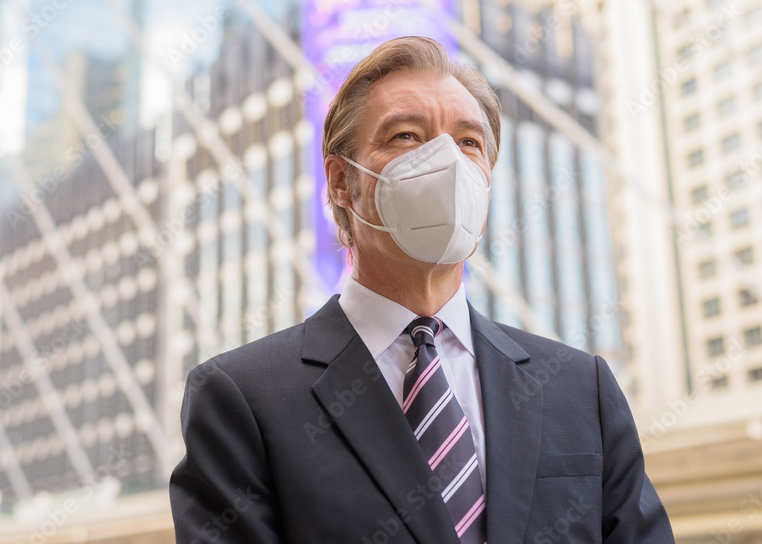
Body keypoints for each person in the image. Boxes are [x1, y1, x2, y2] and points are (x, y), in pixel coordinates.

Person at [169, 36, 673, 543]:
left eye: (469, 142)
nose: (446, 161)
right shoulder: (242, 399)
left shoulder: (580, 389)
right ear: (343, 181)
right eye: (407, 136)